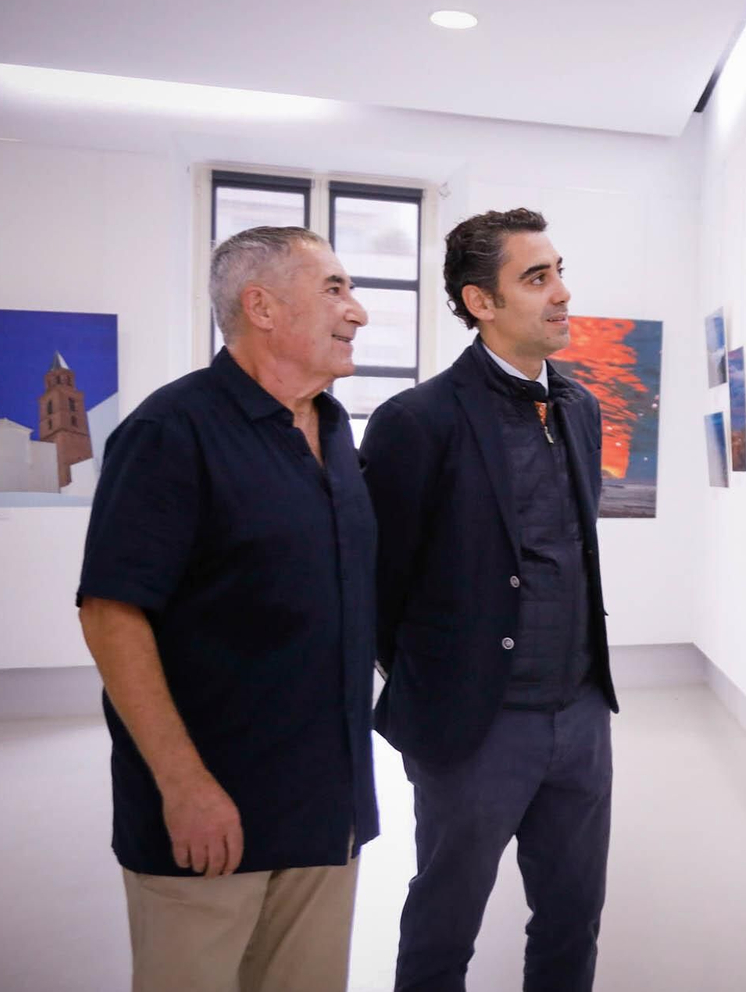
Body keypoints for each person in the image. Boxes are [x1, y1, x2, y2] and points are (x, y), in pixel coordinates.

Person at [76, 226, 378, 992]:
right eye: (335, 289)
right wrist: (184, 785)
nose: (360, 311)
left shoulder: (335, 432)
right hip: (211, 819)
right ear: (262, 306)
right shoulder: (170, 431)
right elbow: (112, 614)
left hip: (325, 814)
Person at [360, 207, 618, 992]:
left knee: (572, 920)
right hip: (472, 726)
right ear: (481, 302)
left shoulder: (579, 407)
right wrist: (441, 685)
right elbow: (381, 585)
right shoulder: (417, 421)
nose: (562, 293)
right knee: (445, 925)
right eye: (536, 278)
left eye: (559, 271)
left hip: (579, 714)